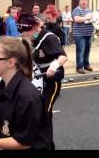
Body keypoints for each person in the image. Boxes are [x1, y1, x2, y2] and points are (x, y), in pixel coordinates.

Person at [0, 37, 53, 150]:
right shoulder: (1, 87)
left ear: (11, 62)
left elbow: (24, 142)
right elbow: (0, 124)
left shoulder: (28, 97)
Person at [18, 13, 68, 149]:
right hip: (39, 80)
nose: (23, 34)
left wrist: (54, 65)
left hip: (52, 80)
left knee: (45, 112)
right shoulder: (30, 38)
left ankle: (47, 145)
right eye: (21, 31)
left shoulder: (48, 38)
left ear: (35, 28)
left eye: (25, 31)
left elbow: (63, 56)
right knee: (35, 112)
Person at [72, 0, 94, 74]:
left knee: (87, 50)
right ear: (79, 2)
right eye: (82, 1)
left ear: (87, 2)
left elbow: (92, 19)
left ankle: (86, 65)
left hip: (88, 34)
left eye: (85, 1)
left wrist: (92, 19)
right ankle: (79, 67)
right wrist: (86, 18)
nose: (83, 2)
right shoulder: (76, 10)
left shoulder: (89, 10)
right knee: (80, 51)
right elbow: (76, 19)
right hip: (79, 35)